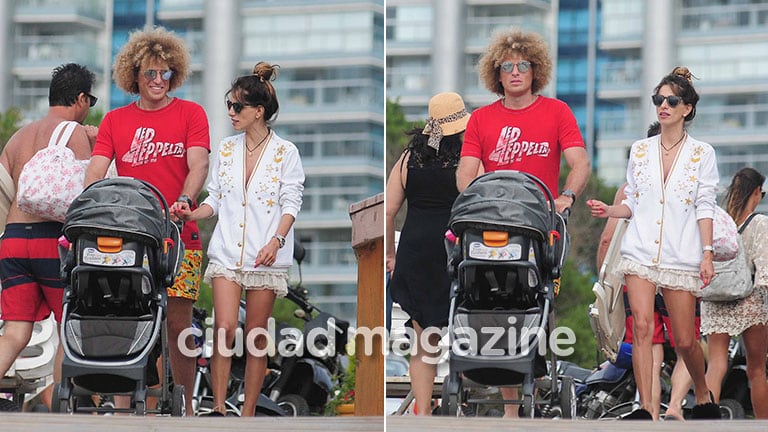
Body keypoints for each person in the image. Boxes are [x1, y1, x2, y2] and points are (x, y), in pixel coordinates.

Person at [454, 27, 590, 417]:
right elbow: (465, 172)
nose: (515, 72)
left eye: (523, 66)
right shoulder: (481, 119)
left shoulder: (557, 112)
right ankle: (490, 387)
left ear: (536, 71)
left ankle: (519, 398)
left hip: (537, 225)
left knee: (531, 300)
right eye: (507, 66)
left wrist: (567, 197)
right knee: (485, 298)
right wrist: (473, 197)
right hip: (492, 223)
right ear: (496, 74)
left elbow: (579, 162)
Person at [83, 27, 210, 415]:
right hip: (129, 236)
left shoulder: (191, 113)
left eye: (166, 73)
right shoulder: (115, 120)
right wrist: (89, 200)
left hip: (178, 236)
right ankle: (126, 409)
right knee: (128, 318)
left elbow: (199, 162)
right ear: (133, 75)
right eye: (150, 73)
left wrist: (186, 198)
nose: (158, 81)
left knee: (177, 326)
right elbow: (96, 168)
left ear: (175, 74)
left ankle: (184, 405)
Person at [171, 62, 304, 417]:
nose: (230, 112)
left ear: (258, 111)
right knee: (224, 329)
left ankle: (246, 415)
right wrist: (191, 212)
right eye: (229, 105)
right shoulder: (226, 149)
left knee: (256, 335)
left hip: (266, 256)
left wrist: (276, 241)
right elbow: (214, 199)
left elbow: (292, 202)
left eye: (237, 106)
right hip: (227, 251)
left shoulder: (285, 152)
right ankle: (217, 408)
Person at [587, 66, 720, 420]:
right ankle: (646, 407)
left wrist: (707, 254)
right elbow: (634, 200)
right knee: (642, 329)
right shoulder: (640, 150)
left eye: (671, 100)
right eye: (658, 100)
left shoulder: (702, 154)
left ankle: (703, 392)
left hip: (681, 254)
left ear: (686, 109)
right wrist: (611, 210)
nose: (663, 105)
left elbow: (705, 206)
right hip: (640, 249)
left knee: (684, 341)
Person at [0, 63, 98, 405]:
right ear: (82, 99)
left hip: (12, 240)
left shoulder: (18, 137)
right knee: (69, 329)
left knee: (14, 332)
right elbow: (87, 195)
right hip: (51, 241)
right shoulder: (75, 133)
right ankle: (64, 411)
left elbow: (6, 192)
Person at [597, 121, 697, 421]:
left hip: (639, 269)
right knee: (684, 342)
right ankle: (676, 406)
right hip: (679, 270)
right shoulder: (689, 179)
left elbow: (607, 237)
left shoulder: (629, 188)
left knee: (647, 338)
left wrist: (604, 279)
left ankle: (649, 407)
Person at [386, 92, 471, 416]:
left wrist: (391, 257)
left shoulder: (410, 158)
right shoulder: (468, 159)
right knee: (469, 335)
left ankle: (423, 411)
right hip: (456, 250)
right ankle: (462, 407)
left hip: (415, 252)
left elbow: (390, 210)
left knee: (424, 343)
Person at [702, 167, 768, 419]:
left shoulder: (719, 222)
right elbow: (764, 270)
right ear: (755, 192)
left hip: (716, 297)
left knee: (716, 366)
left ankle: (706, 420)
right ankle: (763, 425)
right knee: (757, 370)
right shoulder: (760, 222)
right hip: (749, 299)